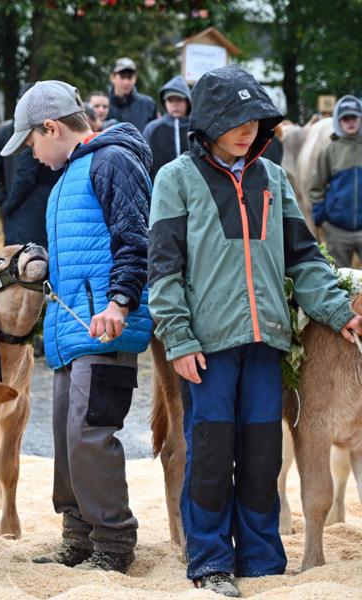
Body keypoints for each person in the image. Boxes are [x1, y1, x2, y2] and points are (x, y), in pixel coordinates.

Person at [149, 66, 362, 597]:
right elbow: (163, 269)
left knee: (264, 453)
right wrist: (178, 337)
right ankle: (211, 562)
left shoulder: (273, 178)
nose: (248, 129)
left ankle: (263, 561)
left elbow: (305, 259)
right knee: (213, 453)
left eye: (256, 119)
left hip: (268, 342)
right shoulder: (175, 179)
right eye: (236, 120)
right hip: (207, 348)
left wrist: (341, 312)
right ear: (210, 122)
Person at [0, 81, 152, 574]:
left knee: (89, 435)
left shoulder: (112, 161)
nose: (31, 153)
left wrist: (121, 301)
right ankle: (79, 536)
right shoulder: (68, 175)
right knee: (67, 438)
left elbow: (136, 237)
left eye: (31, 142)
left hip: (104, 326)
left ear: (52, 127)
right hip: (71, 332)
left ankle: (113, 543)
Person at [310, 94, 362, 267]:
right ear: (338, 121)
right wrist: (322, 221)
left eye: (354, 117)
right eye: (345, 118)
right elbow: (316, 188)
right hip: (337, 231)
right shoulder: (329, 151)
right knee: (341, 283)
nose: (350, 122)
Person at [142, 75, 192, 179]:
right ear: (164, 102)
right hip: (159, 190)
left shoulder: (197, 127)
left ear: (187, 101)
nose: (175, 104)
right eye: (170, 100)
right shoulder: (152, 129)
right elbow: (143, 163)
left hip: (193, 191)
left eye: (179, 99)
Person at [107, 58, 157, 132]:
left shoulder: (148, 104)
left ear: (135, 79)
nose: (126, 82)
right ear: (113, 78)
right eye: (122, 77)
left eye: (130, 77)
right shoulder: (103, 105)